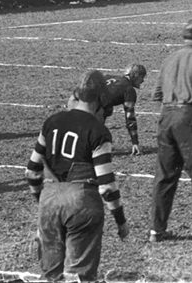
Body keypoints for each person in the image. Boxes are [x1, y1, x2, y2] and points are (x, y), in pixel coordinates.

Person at [24, 70, 128, 281]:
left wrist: (42, 202)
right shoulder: (98, 131)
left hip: (50, 198)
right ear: (101, 99)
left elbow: (32, 170)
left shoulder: (51, 121)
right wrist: (120, 220)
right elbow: (107, 186)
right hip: (82, 200)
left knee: (50, 275)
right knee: (78, 276)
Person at [149, 17, 192, 246]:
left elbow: (156, 94)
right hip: (190, 116)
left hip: (166, 116)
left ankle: (156, 229)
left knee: (165, 175)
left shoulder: (169, 59)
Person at [97, 63, 148, 157]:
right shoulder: (129, 90)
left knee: (106, 109)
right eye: (142, 77)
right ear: (135, 75)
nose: (143, 80)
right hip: (91, 110)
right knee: (102, 137)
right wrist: (135, 142)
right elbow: (130, 118)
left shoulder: (109, 77)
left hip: (80, 101)